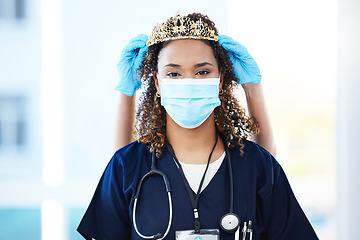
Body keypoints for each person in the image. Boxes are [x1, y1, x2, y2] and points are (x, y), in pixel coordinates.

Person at [78, 13, 318, 240]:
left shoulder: (257, 165)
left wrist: (253, 88)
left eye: (202, 71)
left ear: (220, 79)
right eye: (173, 74)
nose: (189, 83)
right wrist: (125, 93)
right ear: (157, 84)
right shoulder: (126, 165)